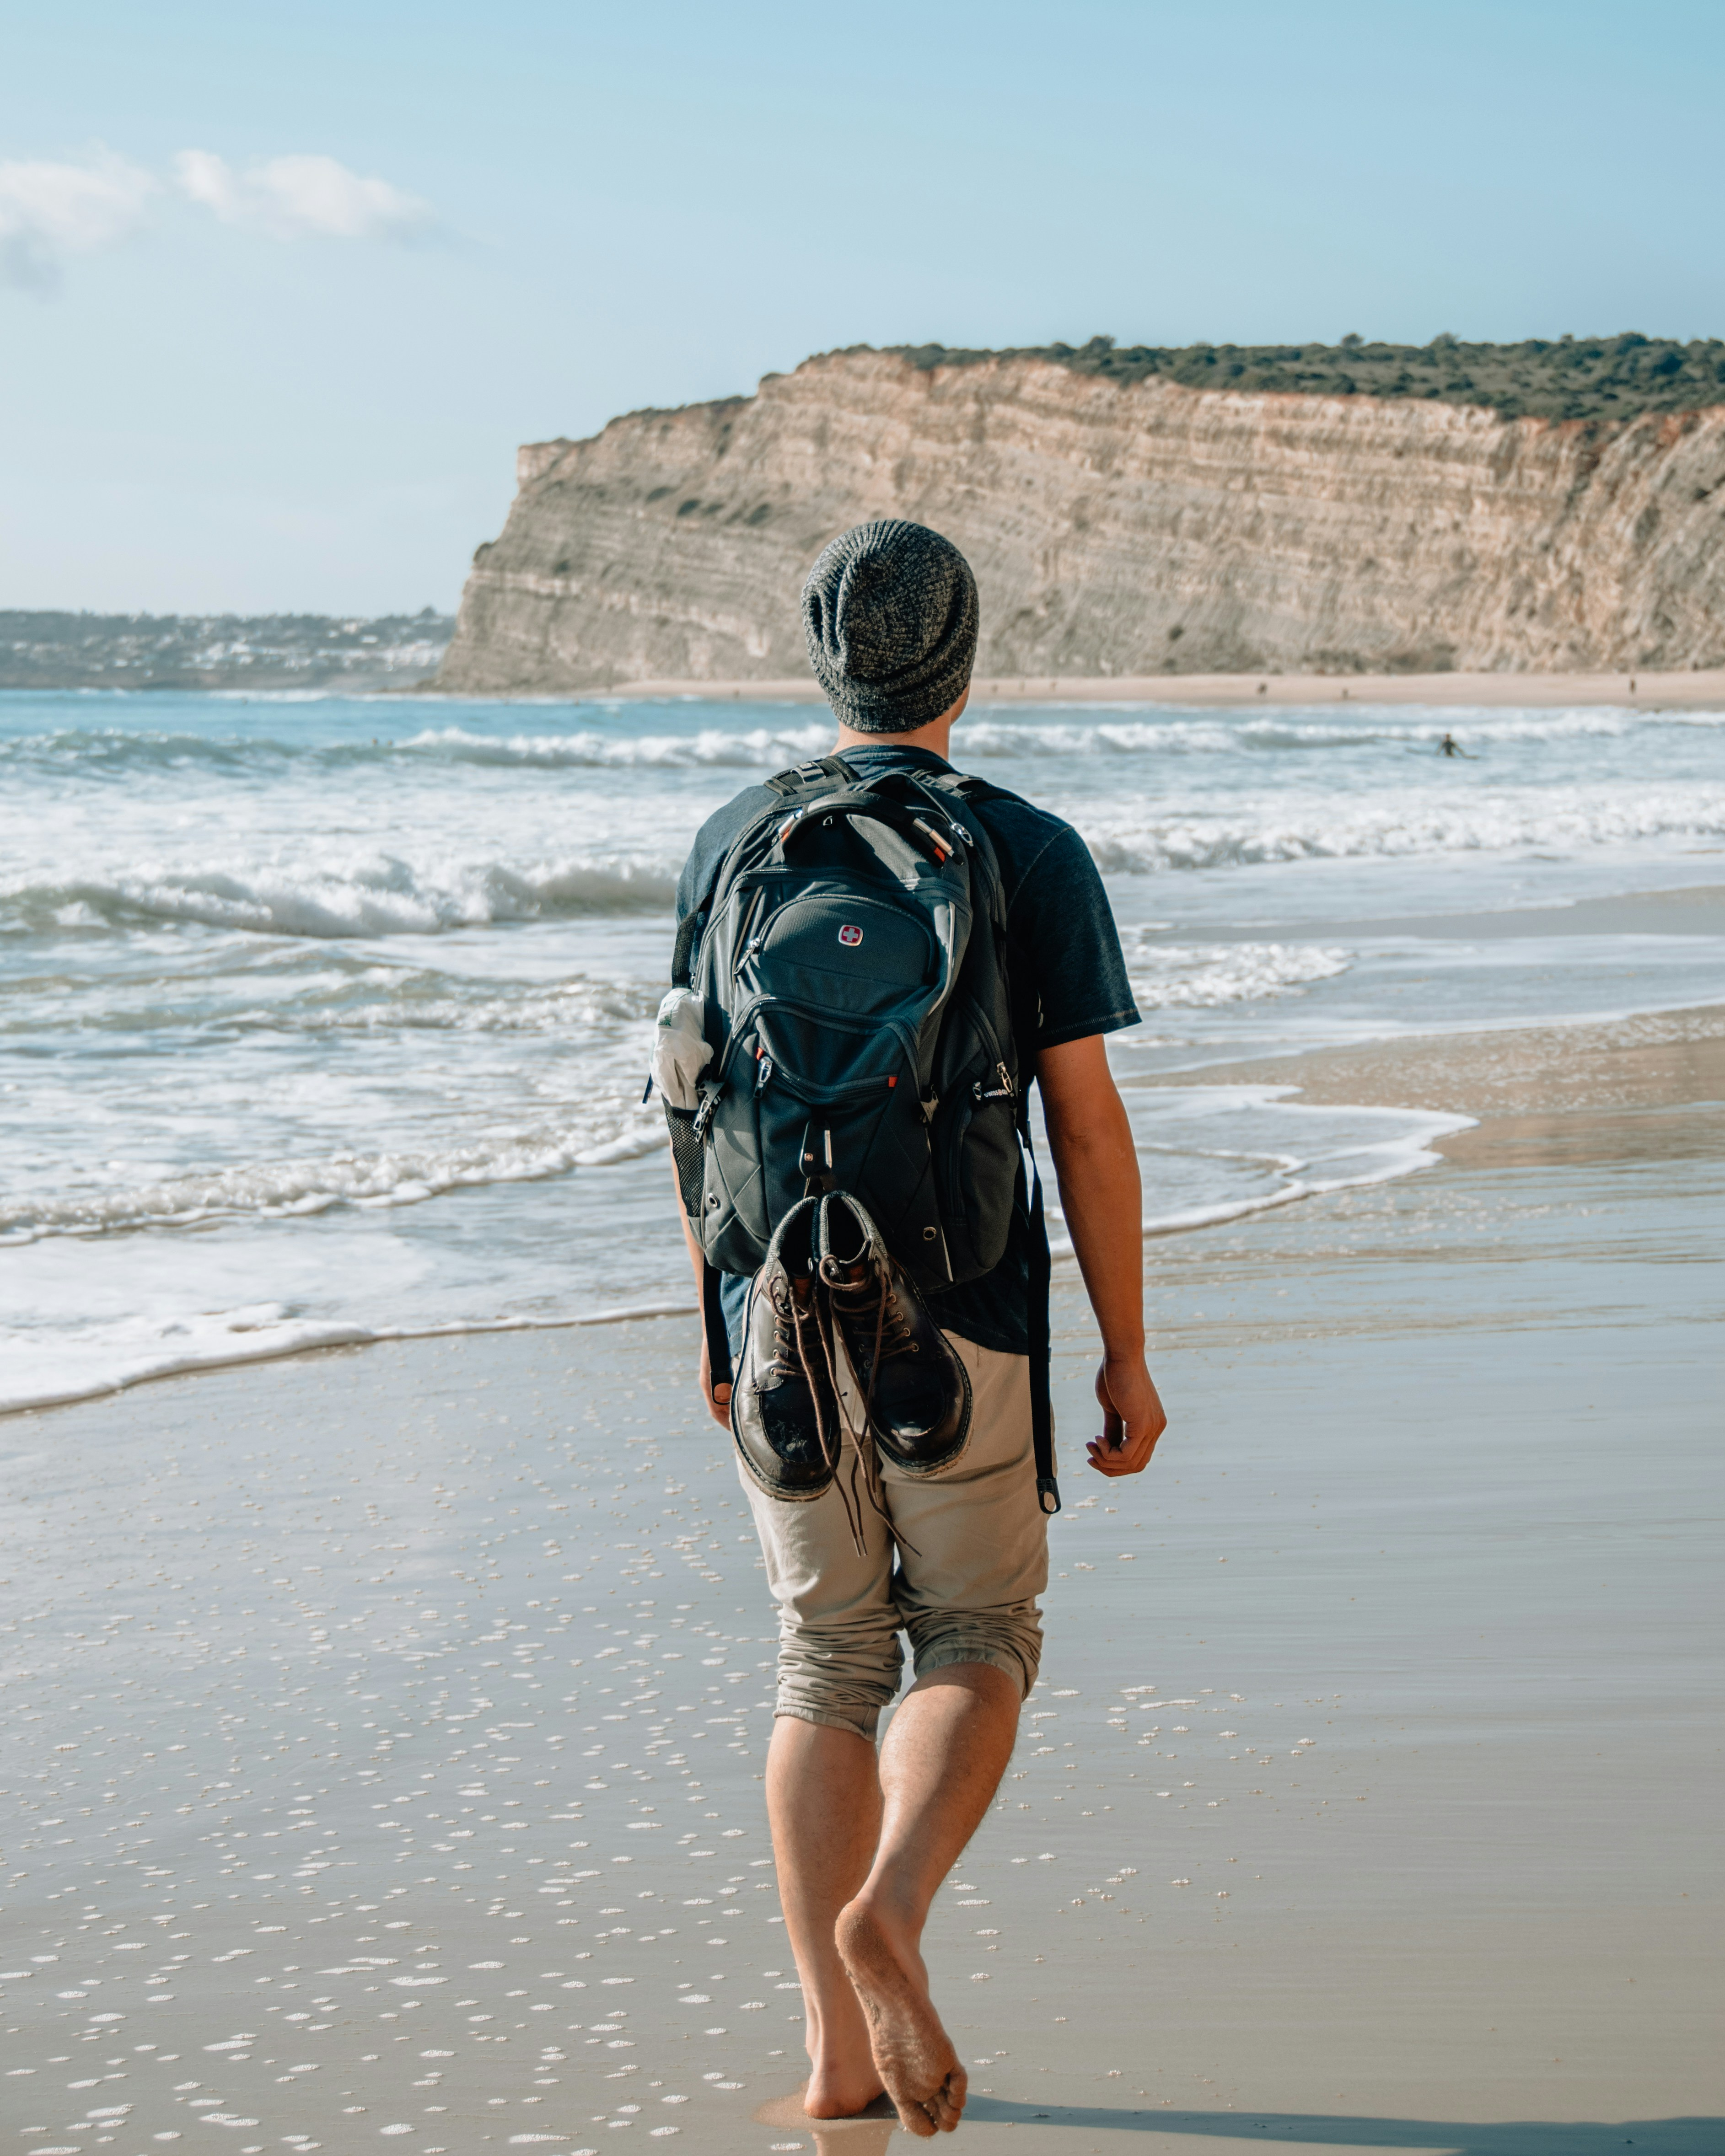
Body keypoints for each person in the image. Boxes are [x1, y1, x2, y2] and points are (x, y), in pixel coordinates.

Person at [671, 520, 1168, 2137]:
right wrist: (1126, 1349)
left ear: (823, 661)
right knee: (975, 1634)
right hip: (954, 1298)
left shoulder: (732, 842)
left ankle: (830, 2059)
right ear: (964, 664)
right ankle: (889, 1903)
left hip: (769, 1299)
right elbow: (1084, 1128)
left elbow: (688, 1105)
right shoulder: (1022, 848)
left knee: (824, 1655)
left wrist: (711, 1318)